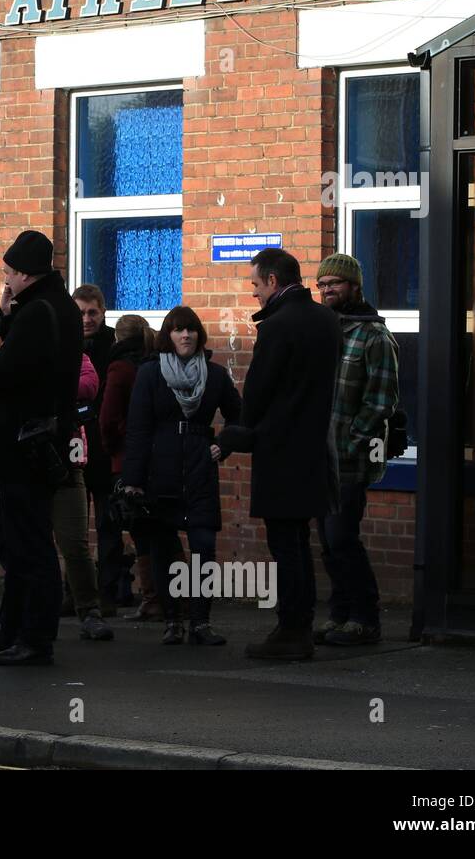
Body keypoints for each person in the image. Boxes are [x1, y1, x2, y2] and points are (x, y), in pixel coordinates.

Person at [218, 247, 342, 660]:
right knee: (300, 542)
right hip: (313, 449)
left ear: (272, 281)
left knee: (285, 545)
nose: (253, 293)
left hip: (279, 450)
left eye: (255, 284)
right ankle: (300, 625)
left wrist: (240, 431)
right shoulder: (327, 320)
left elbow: (259, 389)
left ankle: (291, 630)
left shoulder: (278, 325)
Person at [0, 229, 82, 666]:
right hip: (39, 444)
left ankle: (33, 636)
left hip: (26, 446)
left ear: (22, 273)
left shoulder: (39, 313)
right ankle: (11, 629)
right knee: (17, 541)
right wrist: (5, 318)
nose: (6, 281)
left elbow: (9, 369)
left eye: (9, 274)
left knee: (27, 544)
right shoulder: (57, 308)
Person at [122, 306, 242, 645]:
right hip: (160, 471)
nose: (185, 335)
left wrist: (224, 444)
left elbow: (239, 417)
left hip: (201, 469)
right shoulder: (150, 374)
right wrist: (133, 479)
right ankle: (172, 620)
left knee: (204, 547)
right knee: (163, 550)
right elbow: (138, 429)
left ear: (199, 335)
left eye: (190, 329)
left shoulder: (216, 376)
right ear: (168, 336)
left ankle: (201, 623)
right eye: (177, 330)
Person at [314, 253, 399, 646]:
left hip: (350, 459)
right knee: (329, 542)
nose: (328, 289)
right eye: (323, 284)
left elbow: (381, 400)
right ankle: (341, 614)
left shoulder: (374, 336)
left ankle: (365, 618)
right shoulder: (325, 331)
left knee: (343, 537)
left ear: (354, 286)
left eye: (335, 283)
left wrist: (350, 440)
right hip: (318, 457)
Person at [98, 314, 163, 620]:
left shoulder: (119, 367)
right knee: (161, 528)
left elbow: (108, 418)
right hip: (158, 454)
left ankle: (152, 598)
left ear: (117, 338)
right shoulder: (156, 363)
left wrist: (110, 449)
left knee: (138, 529)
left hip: (126, 457)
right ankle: (177, 598)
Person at [51, 353, 113, 640]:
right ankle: (31, 613)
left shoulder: (76, 356)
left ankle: (89, 611)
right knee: (25, 544)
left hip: (67, 464)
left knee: (75, 543)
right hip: (26, 465)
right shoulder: (15, 352)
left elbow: (88, 386)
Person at [72, 284, 123, 614]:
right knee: (73, 526)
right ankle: (75, 591)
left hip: (104, 446)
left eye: (92, 312)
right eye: (81, 313)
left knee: (108, 525)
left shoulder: (113, 348)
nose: (87, 319)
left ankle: (107, 593)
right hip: (75, 442)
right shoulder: (66, 346)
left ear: (103, 312)